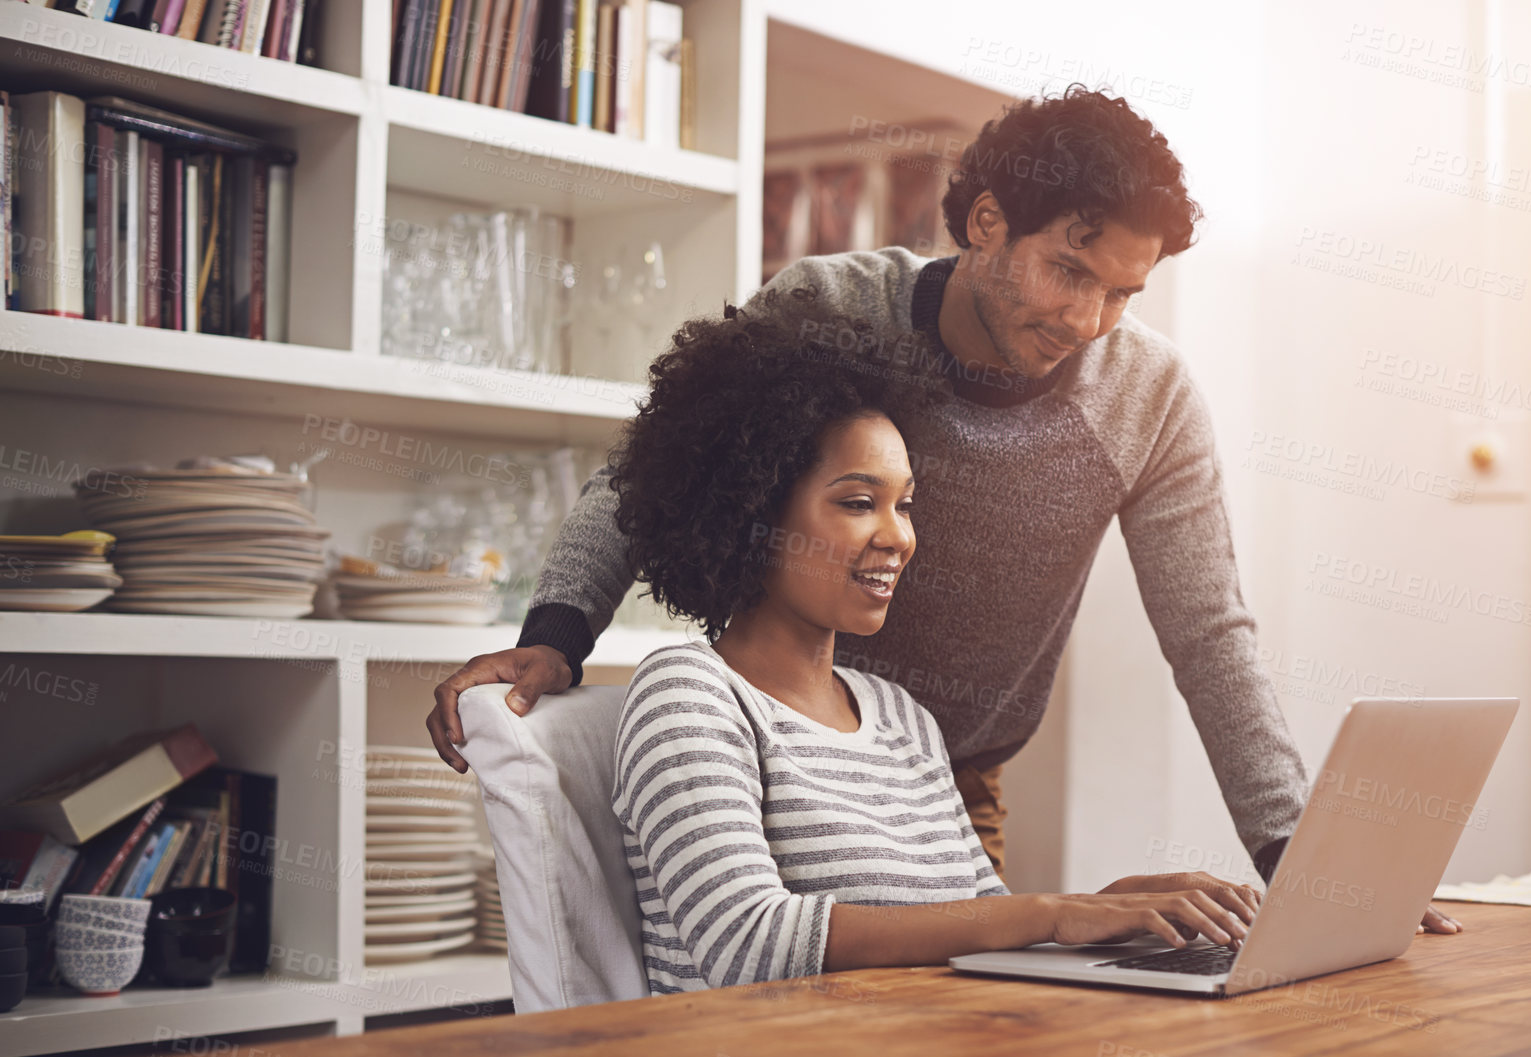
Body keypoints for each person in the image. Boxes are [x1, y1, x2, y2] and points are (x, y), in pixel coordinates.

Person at [428, 85, 1460, 934]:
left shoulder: (1150, 398)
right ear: (985, 221)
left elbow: (1209, 635)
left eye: (1121, 294)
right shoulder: (833, 304)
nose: (1087, 321)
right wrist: (554, 637)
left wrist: (1303, 867)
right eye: (1068, 271)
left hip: (942, 782)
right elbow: (660, 456)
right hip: (763, 756)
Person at [608, 296, 1259, 990]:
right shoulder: (688, 695)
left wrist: (1107, 906)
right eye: (859, 502)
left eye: (905, 503)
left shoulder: (901, 716)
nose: (899, 537)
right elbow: (746, 942)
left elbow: (984, 928)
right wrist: (1050, 913)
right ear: (750, 510)